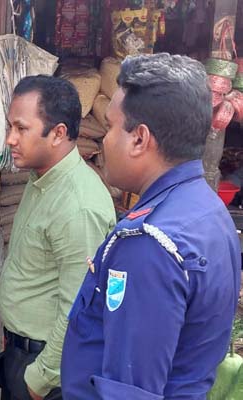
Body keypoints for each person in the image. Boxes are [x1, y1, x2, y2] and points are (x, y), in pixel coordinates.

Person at [61, 53, 242, 399]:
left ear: (140, 139)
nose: (104, 140)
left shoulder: (148, 244)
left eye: (112, 127)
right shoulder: (207, 210)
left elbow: (130, 391)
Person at [0, 75, 116, 400]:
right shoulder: (43, 180)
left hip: (48, 369)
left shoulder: (78, 206)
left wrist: (42, 377)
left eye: (21, 128)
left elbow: (77, 304)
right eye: (10, 127)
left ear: (58, 134)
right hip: (24, 354)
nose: (10, 139)